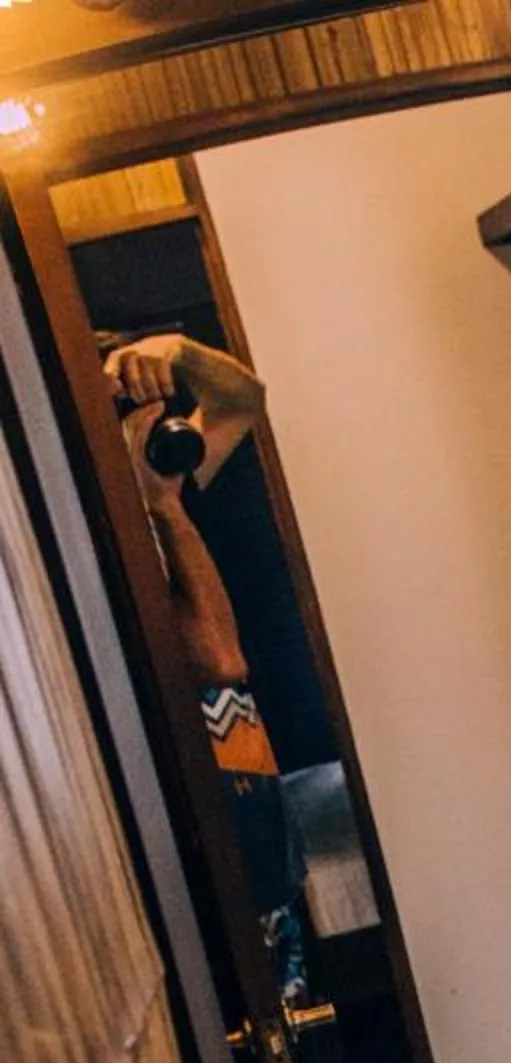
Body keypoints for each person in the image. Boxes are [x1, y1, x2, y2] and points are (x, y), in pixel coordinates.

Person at [104, 330, 308, 1008]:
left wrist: (174, 351)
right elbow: (218, 660)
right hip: (191, 806)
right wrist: (159, 503)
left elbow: (243, 398)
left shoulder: (155, 489)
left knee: (288, 987)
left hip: (248, 787)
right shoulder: (99, 520)